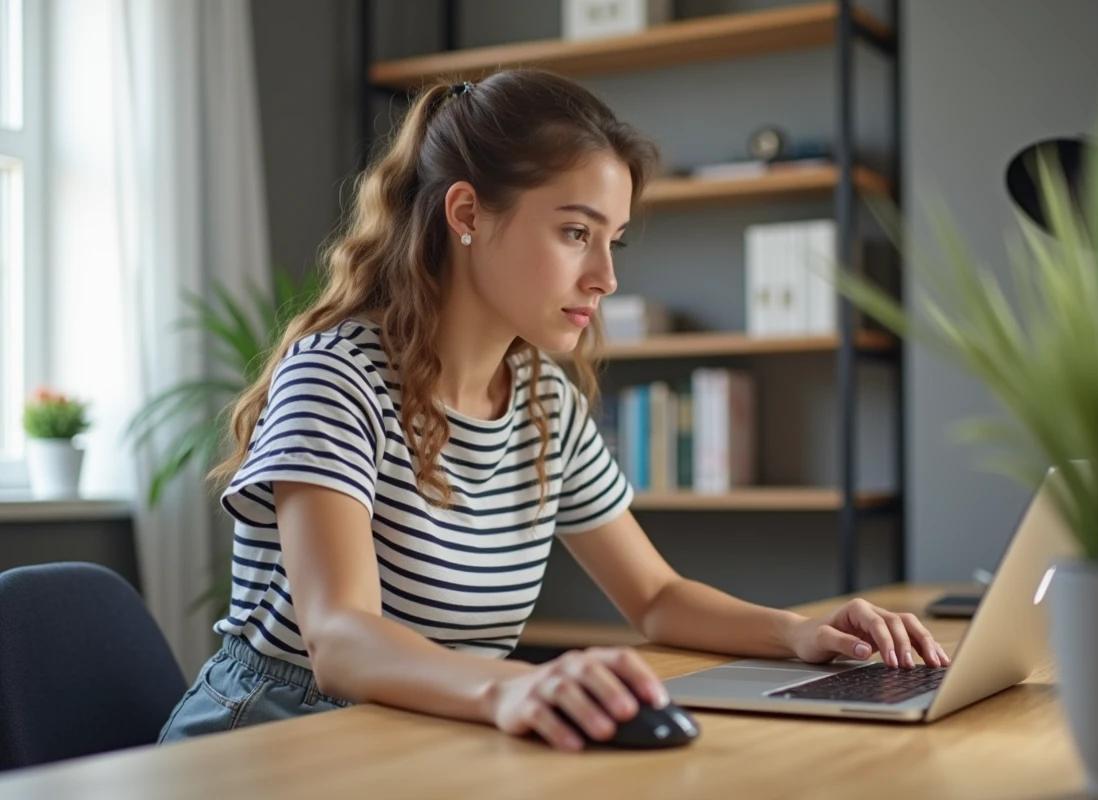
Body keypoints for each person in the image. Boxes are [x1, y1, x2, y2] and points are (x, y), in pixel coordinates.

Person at [157, 68, 949, 752]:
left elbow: (656, 598)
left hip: (426, 729)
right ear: (466, 214)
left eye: (616, 242)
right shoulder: (336, 379)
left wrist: (801, 635)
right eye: (576, 232)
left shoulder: (541, 400)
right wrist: (510, 690)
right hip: (274, 735)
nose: (605, 276)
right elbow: (341, 640)